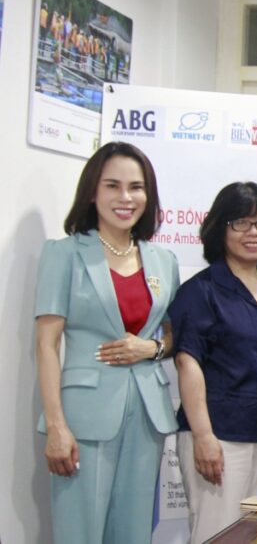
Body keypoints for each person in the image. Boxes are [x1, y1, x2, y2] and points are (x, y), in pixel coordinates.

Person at [34, 142, 179, 544]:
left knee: (134, 532)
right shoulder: (64, 254)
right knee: (79, 532)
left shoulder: (163, 260)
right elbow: (46, 345)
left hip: (147, 414)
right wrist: (56, 426)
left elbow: (173, 334)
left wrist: (152, 349)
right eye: (112, 185)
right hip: (84, 417)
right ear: (92, 192)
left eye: (136, 187)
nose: (125, 197)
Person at [170, 182, 257, 543]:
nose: (253, 232)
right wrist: (203, 436)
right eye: (240, 222)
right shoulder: (201, 290)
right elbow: (187, 364)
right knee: (217, 534)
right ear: (220, 228)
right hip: (220, 435)